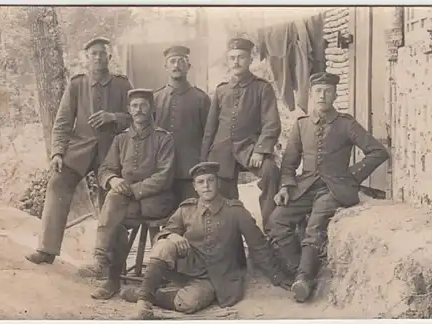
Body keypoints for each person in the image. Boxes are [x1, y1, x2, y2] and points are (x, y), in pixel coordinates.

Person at [266, 72, 390, 303]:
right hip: (305, 186)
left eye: (328, 91)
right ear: (312, 94)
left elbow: (378, 152)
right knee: (277, 220)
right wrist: (285, 187)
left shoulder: (346, 124)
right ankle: (299, 271)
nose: (322, 95)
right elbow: (290, 162)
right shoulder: (301, 125)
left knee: (315, 224)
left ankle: (303, 278)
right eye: (318, 91)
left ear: (334, 94)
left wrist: (350, 176)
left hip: (334, 188)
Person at [122, 161, 291, 320]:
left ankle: (145, 293)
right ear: (195, 187)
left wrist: (277, 275)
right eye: (201, 182)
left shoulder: (235, 210)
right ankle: (143, 304)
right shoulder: (186, 209)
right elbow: (163, 235)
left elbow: (258, 245)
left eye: (210, 180)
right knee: (165, 244)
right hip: (187, 268)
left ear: (217, 183)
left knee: (188, 303)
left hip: (218, 277)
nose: (206, 185)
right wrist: (172, 236)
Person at [25, 37, 133, 265]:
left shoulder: (122, 85)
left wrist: (113, 117)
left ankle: (110, 261)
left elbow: (137, 117)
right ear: (86, 58)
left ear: (109, 57)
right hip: (79, 150)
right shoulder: (77, 85)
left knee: (112, 198)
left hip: (111, 153)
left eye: (102, 53)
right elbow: (63, 121)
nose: (98, 57)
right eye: (93, 53)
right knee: (57, 182)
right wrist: (57, 153)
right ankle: (46, 249)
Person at [78, 88, 176, 298]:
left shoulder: (163, 138)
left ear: (151, 108)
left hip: (156, 201)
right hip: (128, 203)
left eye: (143, 105)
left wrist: (132, 189)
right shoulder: (121, 139)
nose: (138, 110)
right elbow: (106, 169)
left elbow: (164, 176)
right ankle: (112, 279)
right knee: (116, 212)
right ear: (129, 110)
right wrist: (113, 180)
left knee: (115, 205)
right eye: (134, 106)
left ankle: (101, 261)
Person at [200, 37, 282, 228]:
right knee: (222, 192)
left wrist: (261, 150)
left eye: (241, 57)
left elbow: (272, 123)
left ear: (250, 59)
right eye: (232, 58)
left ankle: (271, 228)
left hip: (249, 146)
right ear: (228, 61)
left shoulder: (262, 88)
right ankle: (231, 232)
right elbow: (210, 128)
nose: (236, 62)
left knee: (270, 171)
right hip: (222, 150)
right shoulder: (221, 91)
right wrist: (204, 158)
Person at [153, 45, 211, 206]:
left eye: (181, 61)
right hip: (161, 171)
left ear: (189, 66)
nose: (176, 65)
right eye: (172, 61)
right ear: (165, 67)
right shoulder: (155, 99)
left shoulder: (201, 99)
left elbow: (209, 134)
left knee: (191, 214)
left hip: (191, 170)